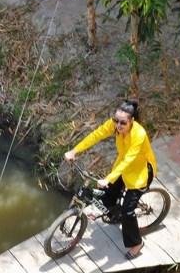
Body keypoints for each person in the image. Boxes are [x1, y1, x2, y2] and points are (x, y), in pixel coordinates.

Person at [64, 100, 157, 260]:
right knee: (108, 194)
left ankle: (137, 244)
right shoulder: (114, 125)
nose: (118, 125)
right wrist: (74, 150)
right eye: (116, 120)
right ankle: (113, 213)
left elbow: (130, 159)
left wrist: (109, 178)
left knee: (128, 211)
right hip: (123, 167)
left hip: (140, 173)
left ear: (131, 121)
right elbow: (96, 135)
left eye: (123, 122)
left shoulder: (139, 134)